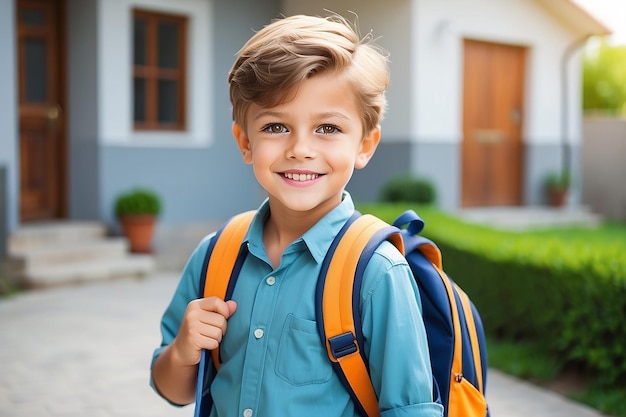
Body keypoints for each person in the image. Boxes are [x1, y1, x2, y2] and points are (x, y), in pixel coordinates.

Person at [150, 13, 443, 417]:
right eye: (275, 127)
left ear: (365, 144)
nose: (300, 149)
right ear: (245, 142)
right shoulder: (215, 255)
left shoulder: (377, 273)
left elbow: (410, 410)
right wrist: (184, 348)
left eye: (327, 128)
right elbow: (173, 389)